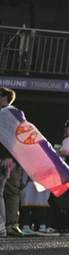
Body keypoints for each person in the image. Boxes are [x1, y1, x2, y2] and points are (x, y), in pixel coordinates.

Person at [1, 87, 21, 237]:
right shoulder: (9, 113)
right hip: (8, 157)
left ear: (4, 97)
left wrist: (10, 156)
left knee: (9, 191)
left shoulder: (9, 113)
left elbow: (16, 135)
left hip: (8, 159)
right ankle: (9, 224)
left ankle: (10, 224)